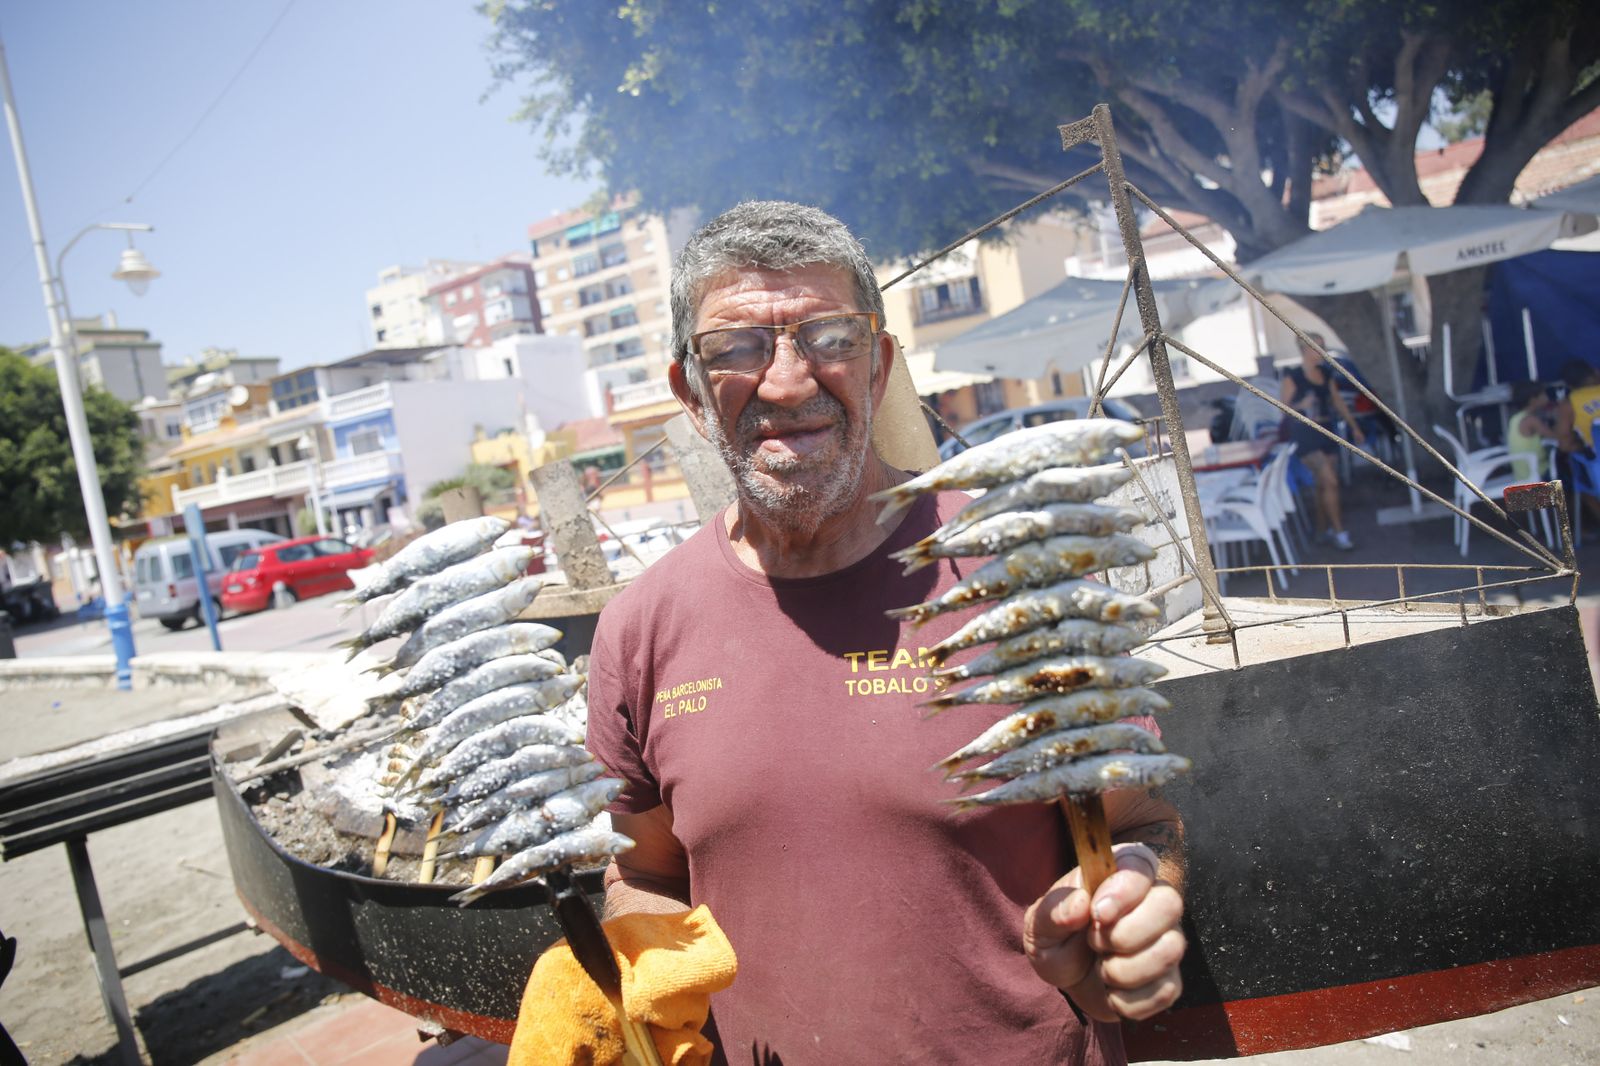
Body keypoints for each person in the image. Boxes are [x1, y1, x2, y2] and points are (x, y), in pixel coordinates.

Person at [585, 200, 1185, 1064]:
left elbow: (1143, 822)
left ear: (879, 367)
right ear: (689, 392)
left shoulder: (1024, 575)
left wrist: (1134, 897)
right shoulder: (640, 628)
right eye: (737, 348)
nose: (788, 382)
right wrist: (633, 961)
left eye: (830, 337)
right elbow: (644, 871)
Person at [1280, 333, 1366, 550]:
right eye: (1316, 347)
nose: (1322, 351)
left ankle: (1321, 530)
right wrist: (1301, 406)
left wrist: (1354, 427)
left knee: (1323, 484)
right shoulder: (1293, 377)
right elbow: (1282, 409)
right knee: (1331, 481)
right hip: (1305, 434)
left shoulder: (1326, 373)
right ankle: (1339, 533)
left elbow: (1337, 401)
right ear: (1304, 350)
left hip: (1327, 431)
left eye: (1322, 346)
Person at [1506, 381, 1560, 482]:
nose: (1547, 397)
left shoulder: (1515, 418)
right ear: (1533, 400)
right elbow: (1556, 436)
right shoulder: (1531, 420)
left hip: (1522, 474)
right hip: (1538, 473)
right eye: (1543, 395)